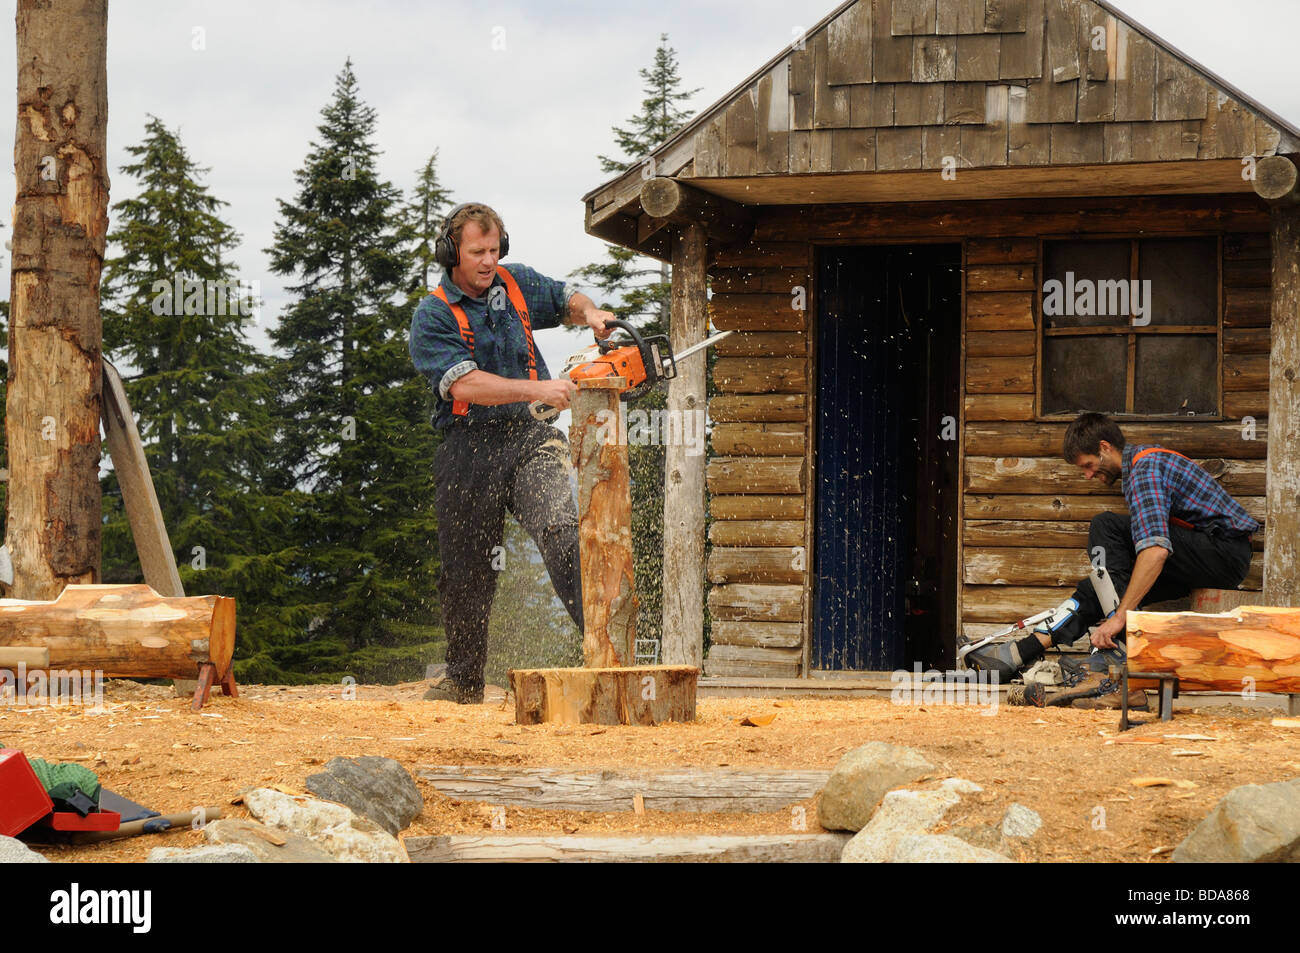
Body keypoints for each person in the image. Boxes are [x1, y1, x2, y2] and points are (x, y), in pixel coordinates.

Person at [408, 203, 614, 703]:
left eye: (495, 250)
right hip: (467, 448)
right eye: (477, 252)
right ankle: (462, 680)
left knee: (563, 531)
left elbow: (566, 297)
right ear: (451, 252)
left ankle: (611, 654)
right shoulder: (432, 315)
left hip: (530, 440)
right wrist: (537, 389)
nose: (487, 261)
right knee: (466, 568)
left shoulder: (515, 282)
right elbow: (466, 386)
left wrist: (591, 314)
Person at [965, 412, 1258, 706]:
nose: (1088, 475)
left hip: (1223, 552)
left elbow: (1156, 550)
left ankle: (1117, 657)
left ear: (1105, 448)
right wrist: (1117, 609)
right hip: (1205, 556)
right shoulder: (1139, 469)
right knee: (1100, 585)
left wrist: (1118, 619)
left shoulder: (1144, 469)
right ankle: (1020, 652)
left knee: (1105, 526)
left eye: (1088, 466)